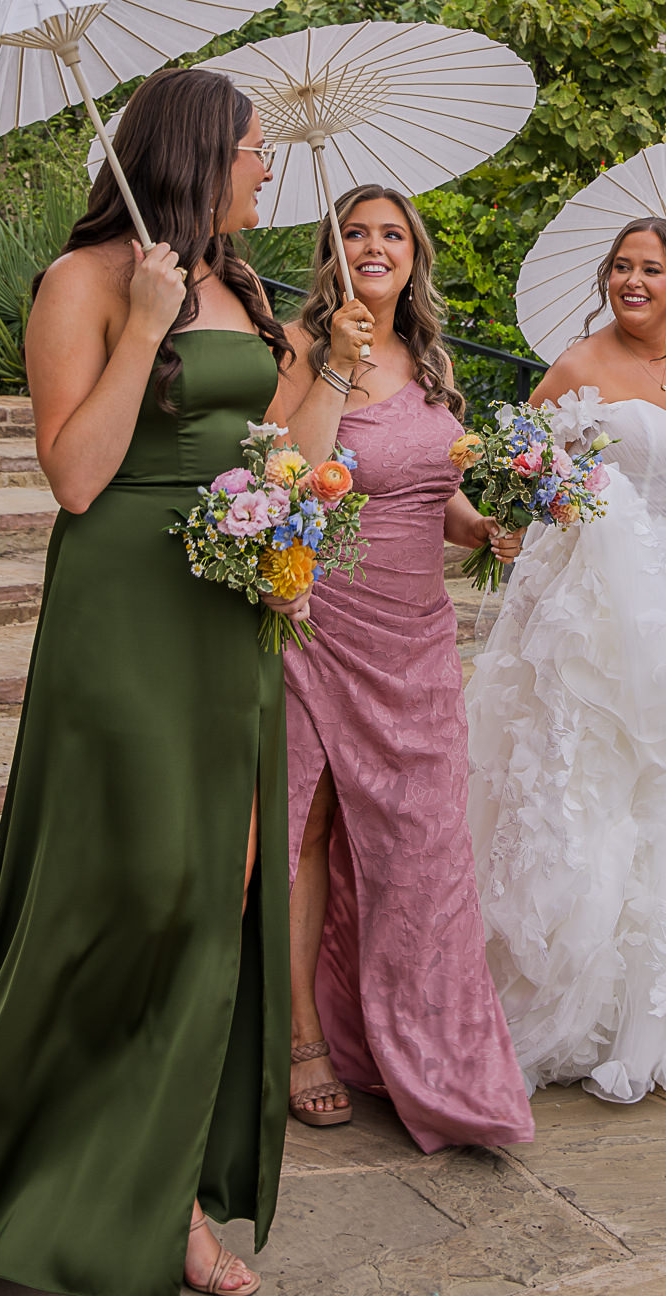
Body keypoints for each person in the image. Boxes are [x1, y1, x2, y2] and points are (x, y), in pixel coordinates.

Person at [0, 66, 309, 1296]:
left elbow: (263, 447)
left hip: (232, 606)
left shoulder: (245, 282)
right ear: (199, 153)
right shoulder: (86, 279)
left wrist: (292, 537)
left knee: (218, 891)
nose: (266, 168)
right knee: (139, 887)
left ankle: (167, 1193)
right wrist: (149, 324)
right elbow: (73, 473)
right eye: (254, 149)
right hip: (124, 605)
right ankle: (8, 1165)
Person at [466, 217, 666, 1105]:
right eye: (620, 267)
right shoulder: (577, 366)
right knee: (598, 776)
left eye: (650, 269)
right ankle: (575, 993)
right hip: (599, 610)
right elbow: (517, 476)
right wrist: (522, 518)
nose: (632, 281)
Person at [274, 184, 533, 1152]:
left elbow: (435, 492)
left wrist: (485, 525)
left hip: (418, 639)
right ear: (330, 251)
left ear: (415, 255)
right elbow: (288, 476)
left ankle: (419, 1045)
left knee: (422, 846)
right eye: (355, 232)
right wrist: (336, 367)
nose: (374, 246)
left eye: (391, 233)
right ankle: (303, 1039)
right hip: (323, 621)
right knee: (309, 826)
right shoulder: (298, 347)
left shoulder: (429, 360)